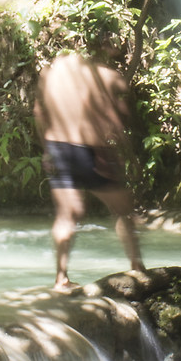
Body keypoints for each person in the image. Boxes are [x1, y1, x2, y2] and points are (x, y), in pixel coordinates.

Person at [34, 45, 146, 291]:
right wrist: (126, 153)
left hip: (58, 149)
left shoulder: (52, 73)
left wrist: (46, 149)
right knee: (123, 210)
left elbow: (38, 113)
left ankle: (61, 278)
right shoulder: (105, 76)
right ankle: (137, 266)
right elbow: (114, 119)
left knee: (67, 215)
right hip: (93, 151)